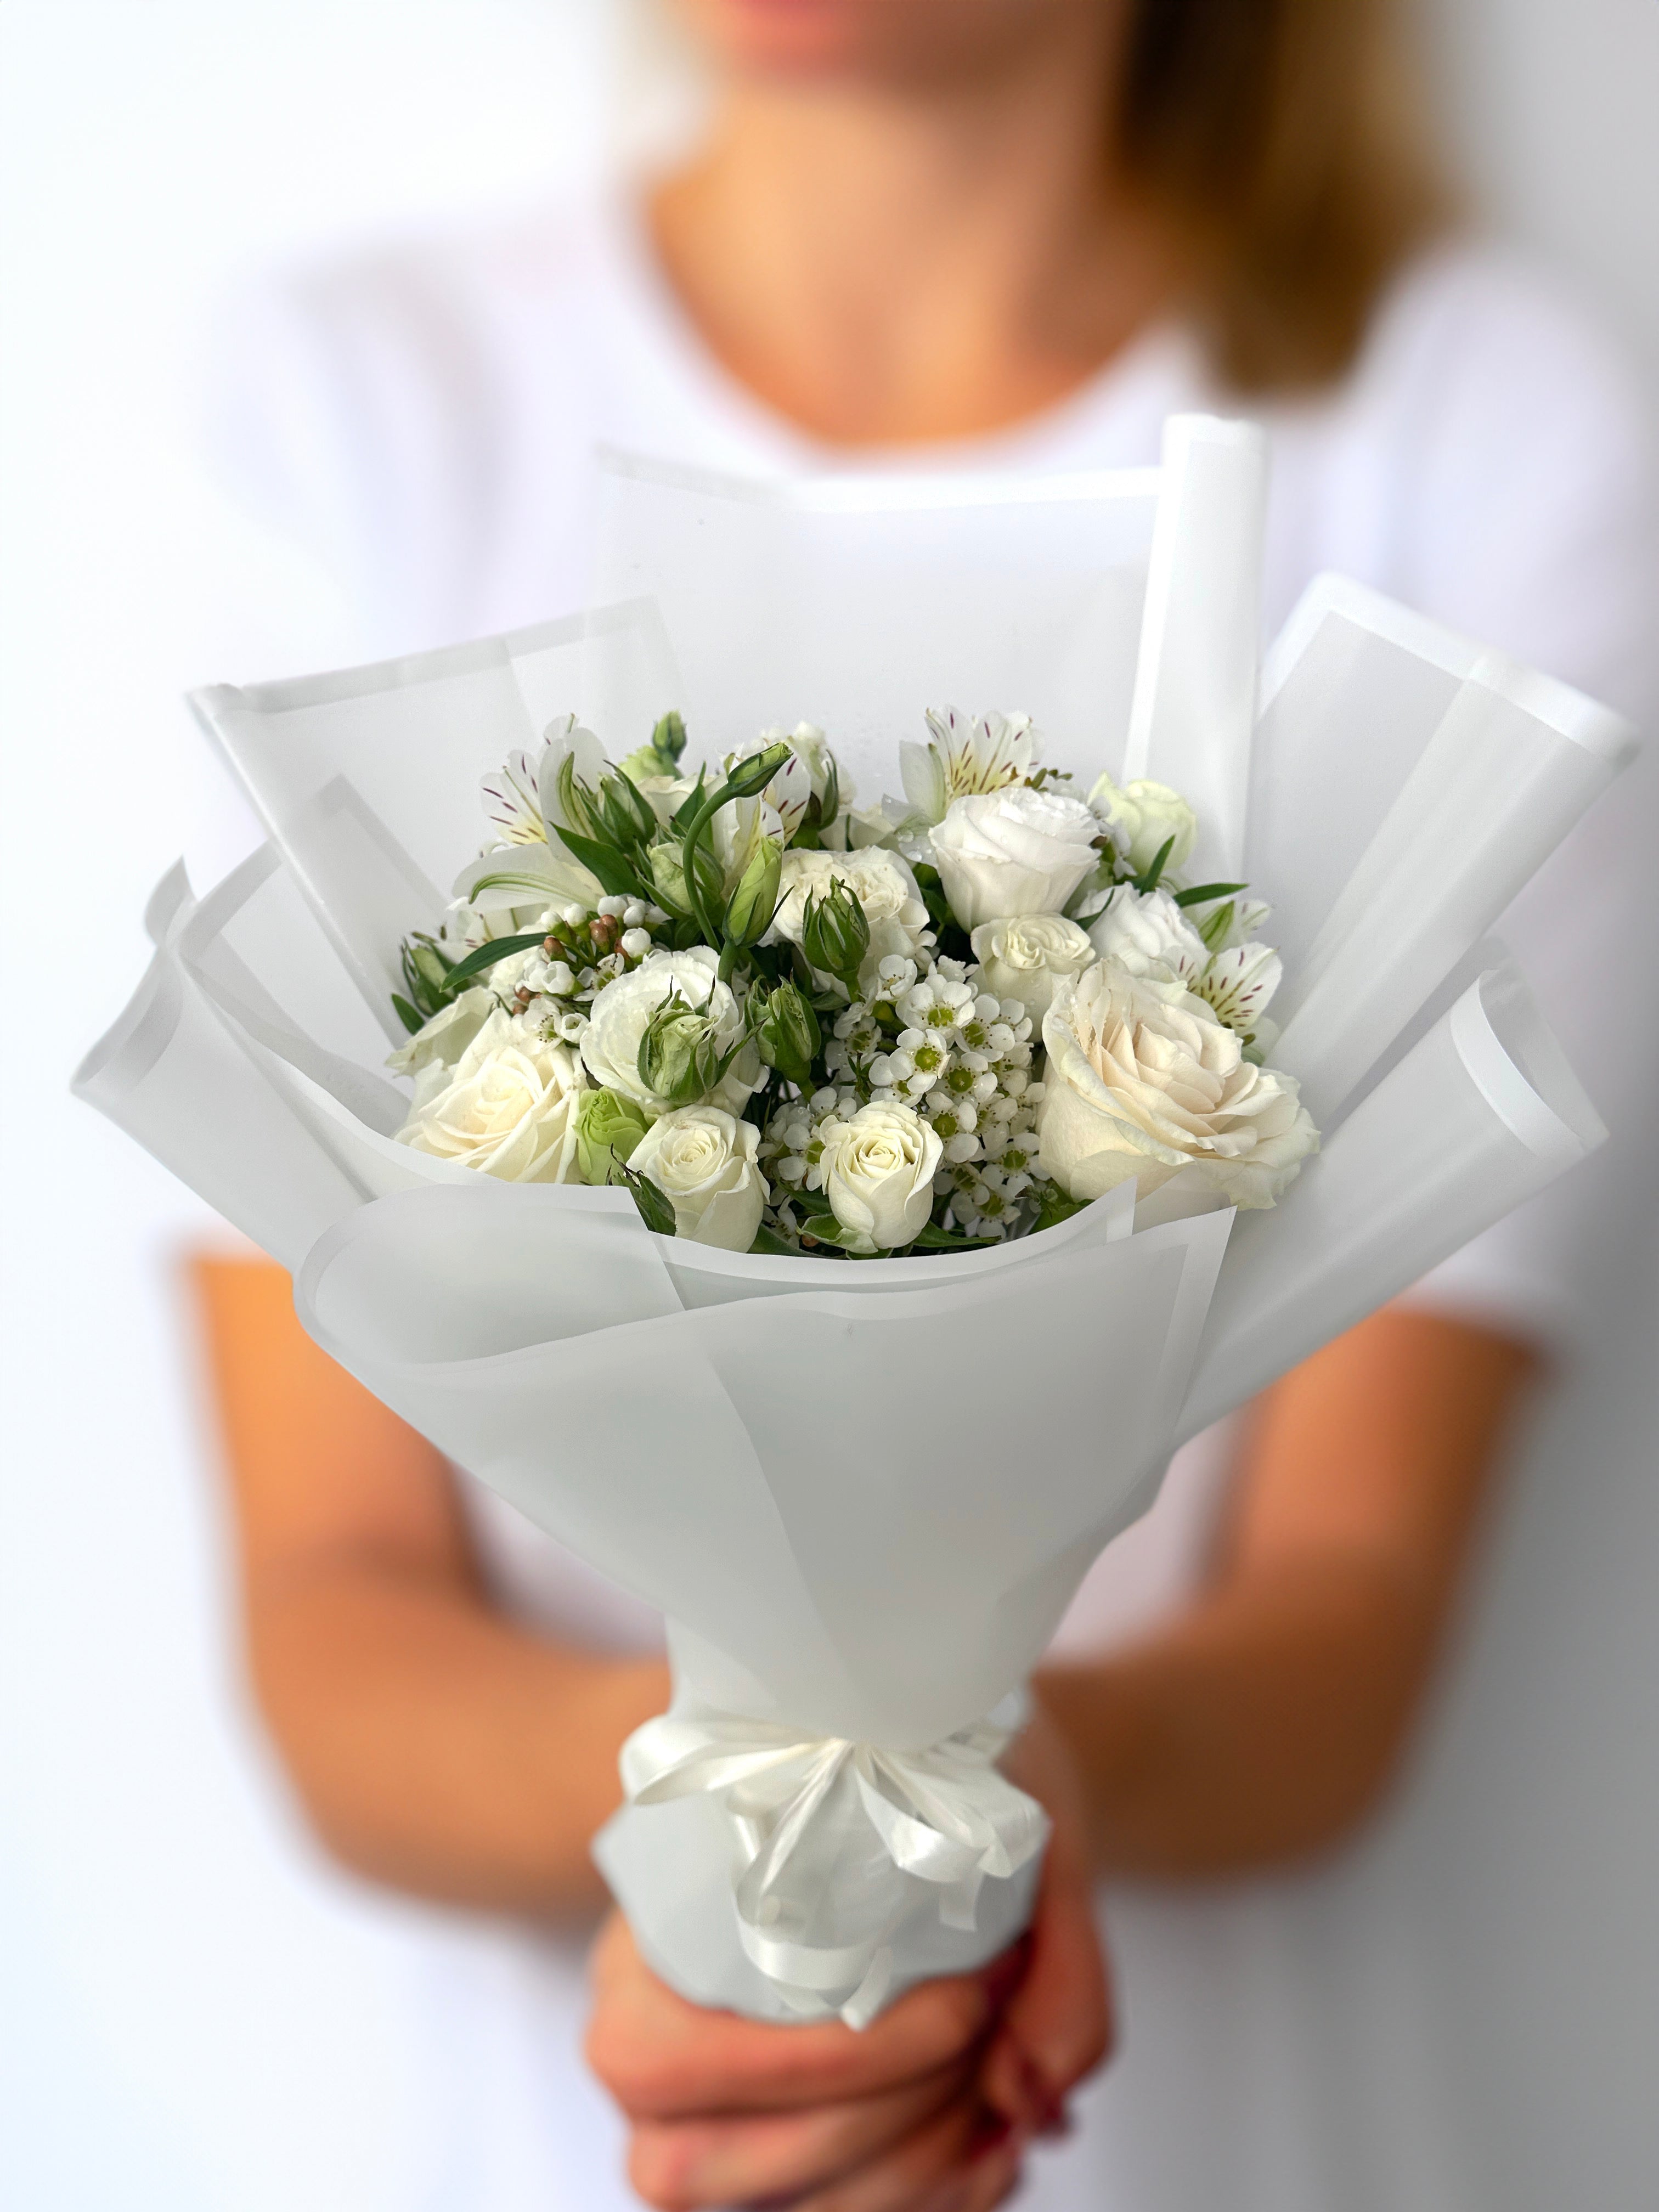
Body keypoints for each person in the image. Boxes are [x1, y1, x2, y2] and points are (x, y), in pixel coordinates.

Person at [198, 1, 1659, 2206]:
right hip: (561, 2137)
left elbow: (1348, 1616)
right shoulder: (362, 396)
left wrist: (1004, 1776)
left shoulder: (1472, 417)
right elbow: (332, 1625)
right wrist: (788, 1832)